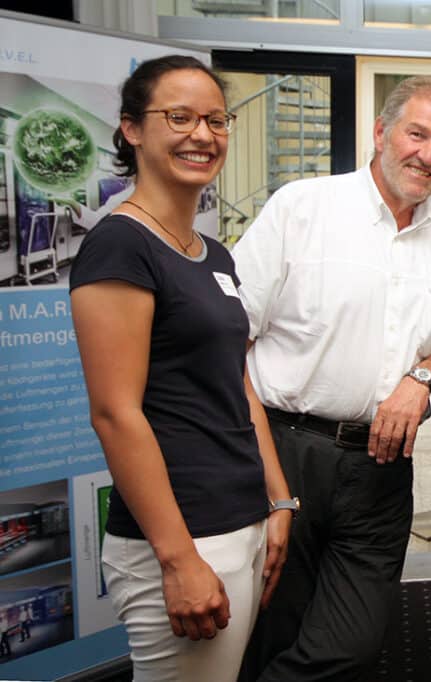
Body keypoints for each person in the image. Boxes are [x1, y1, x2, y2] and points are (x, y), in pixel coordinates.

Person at [233, 75, 431, 681]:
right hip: (287, 455)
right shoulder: (302, 207)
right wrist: (266, 474)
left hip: (382, 469)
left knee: (353, 643)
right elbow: (229, 338)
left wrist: (419, 378)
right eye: (417, 134)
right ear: (380, 133)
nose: (429, 155)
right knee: (276, 629)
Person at [69, 55, 293, 682]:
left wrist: (279, 498)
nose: (203, 134)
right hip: (183, 534)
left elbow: (237, 383)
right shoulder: (120, 244)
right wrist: (178, 560)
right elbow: (115, 412)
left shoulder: (211, 251)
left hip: (239, 516)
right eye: (180, 117)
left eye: (217, 120)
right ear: (132, 130)